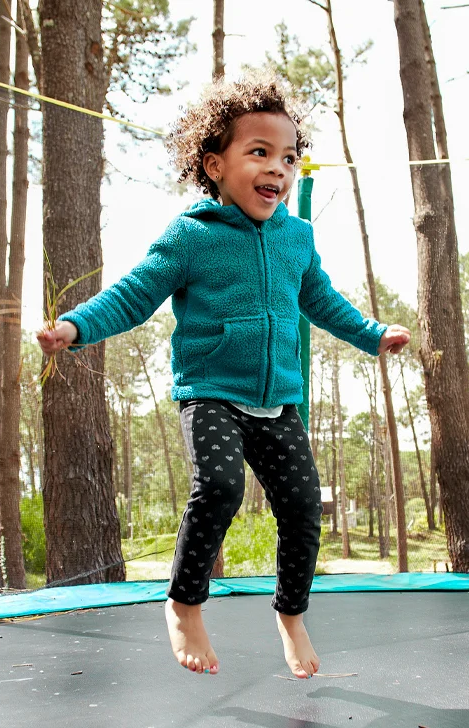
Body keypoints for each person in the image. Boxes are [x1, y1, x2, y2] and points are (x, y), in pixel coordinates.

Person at [37, 74, 410, 679]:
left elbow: (321, 298)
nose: (277, 169)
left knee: (302, 507)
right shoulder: (192, 236)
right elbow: (135, 294)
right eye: (259, 153)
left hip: (278, 399)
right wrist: (75, 328)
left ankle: (291, 615)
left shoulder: (297, 238)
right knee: (219, 486)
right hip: (211, 392)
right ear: (214, 164)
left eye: (288, 158)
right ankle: (185, 603)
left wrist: (372, 333)